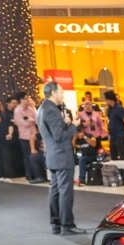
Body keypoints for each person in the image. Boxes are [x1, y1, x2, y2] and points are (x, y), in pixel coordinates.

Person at [37, 81, 84, 235]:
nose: (63, 94)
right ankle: (67, 225)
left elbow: (54, 132)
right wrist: (73, 126)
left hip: (53, 155)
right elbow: (59, 136)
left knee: (56, 190)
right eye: (61, 91)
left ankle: (56, 224)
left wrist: (65, 124)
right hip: (61, 155)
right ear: (53, 93)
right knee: (65, 192)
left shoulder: (43, 108)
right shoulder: (51, 110)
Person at [13, 92, 42, 182]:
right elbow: (22, 123)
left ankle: (38, 174)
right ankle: (29, 175)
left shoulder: (31, 109)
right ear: (21, 100)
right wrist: (31, 121)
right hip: (24, 137)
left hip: (34, 135)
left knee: (36, 155)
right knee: (27, 157)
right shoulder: (17, 111)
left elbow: (37, 120)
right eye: (25, 98)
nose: (27, 100)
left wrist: (31, 120)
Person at [104, 90, 124, 160]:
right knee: (113, 156)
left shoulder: (120, 109)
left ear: (110, 100)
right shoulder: (109, 109)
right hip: (112, 136)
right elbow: (110, 121)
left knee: (122, 156)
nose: (105, 102)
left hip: (120, 136)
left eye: (106, 100)